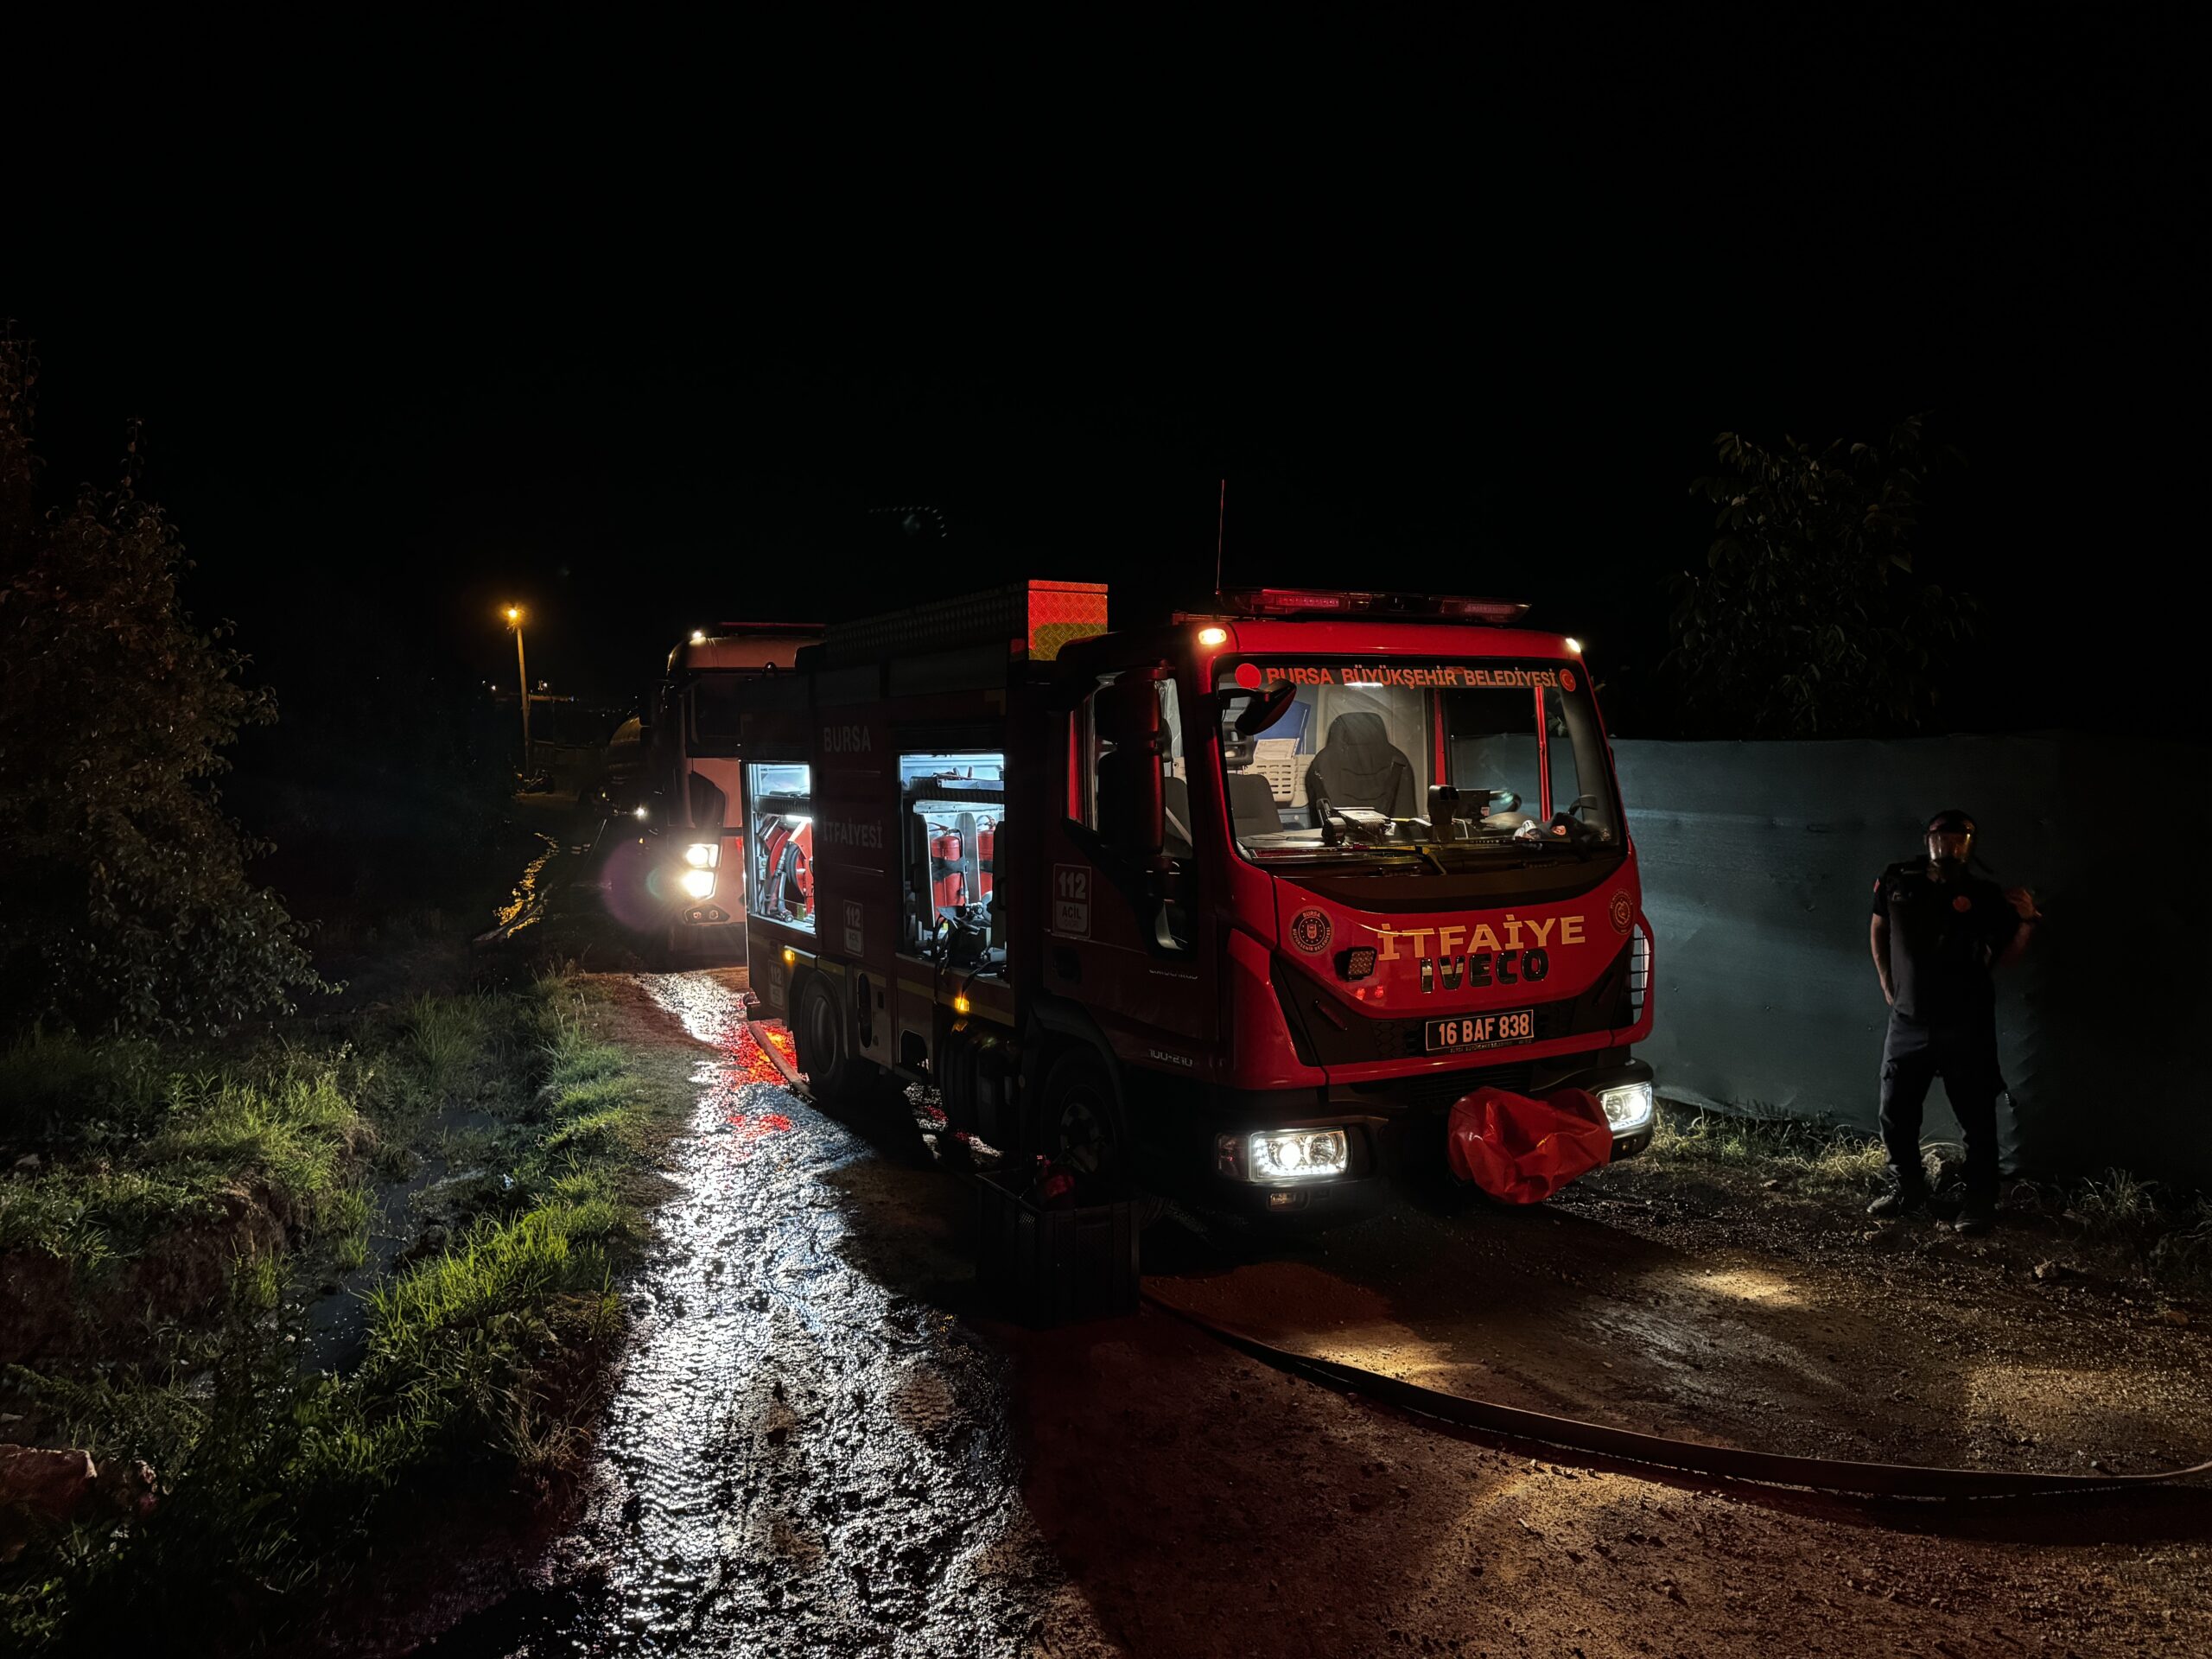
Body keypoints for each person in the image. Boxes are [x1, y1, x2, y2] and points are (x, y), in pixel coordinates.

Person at [1867, 810, 2040, 1234]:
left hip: (1966, 1023)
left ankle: (1979, 1201)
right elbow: (1878, 928)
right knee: (1895, 1111)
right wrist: (1888, 983)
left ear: (1970, 845)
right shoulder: (1898, 879)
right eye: (1941, 838)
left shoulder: (1984, 894)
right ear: (1928, 839)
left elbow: (2008, 956)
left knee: (1976, 1115)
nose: (1948, 846)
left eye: (1958, 839)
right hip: (1908, 1021)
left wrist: (2028, 922)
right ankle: (1908, 1188)